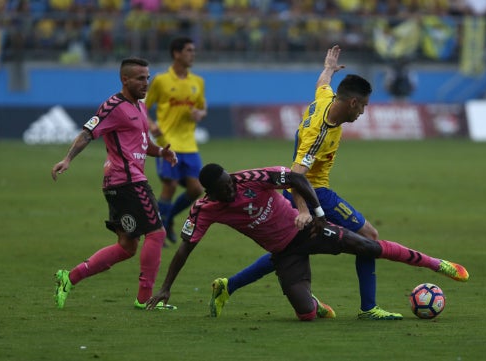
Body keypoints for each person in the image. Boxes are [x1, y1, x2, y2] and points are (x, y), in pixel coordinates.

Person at [210, 45, 403, 320]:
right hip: (314, 192)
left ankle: (229, 286)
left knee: (289, 249)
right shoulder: (319, 134)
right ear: (352, 103)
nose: (363, 113)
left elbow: (322, 84)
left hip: (305, 190)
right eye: (363, 106)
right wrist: (303, 210)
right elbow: (295, 176)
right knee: (369, 237)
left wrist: (328, 68)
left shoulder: (327, 99)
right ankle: (369, 308)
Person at [146, 163, 469, 321]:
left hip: (308, 232)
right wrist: (166, 286)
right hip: (284, 252)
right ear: (211, 193)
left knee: (368, 246)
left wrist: (315, 214)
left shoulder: (252, 179)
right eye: (225, 190)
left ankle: (437, 264)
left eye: (231, 183)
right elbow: (186, 247)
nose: (232, 190)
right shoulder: (204, 209)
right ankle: (312, 301)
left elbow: (298, 178)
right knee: (306, 316)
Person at [51, 57, 179, 310]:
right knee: (157, 233)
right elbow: (88, 132)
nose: (146, 83)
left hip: (120, 184)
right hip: (127, 181)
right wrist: (67, 159)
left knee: (127, 246)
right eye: (141, 78)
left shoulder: (140, 107)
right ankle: (145, 299)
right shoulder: (113, 105)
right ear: (125, 80)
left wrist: (161, 152)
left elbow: (142, 144)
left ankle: (70, 277)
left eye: (148, 77)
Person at [145, 36, 207, 245]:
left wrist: (199, 113)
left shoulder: (197, 82)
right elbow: (142, 107)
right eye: (189, 50)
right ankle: (158, 229)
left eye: (194, 50)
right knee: (169, 185)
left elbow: (202, 108)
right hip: (166, 141)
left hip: (189, 144)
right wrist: (150, 124)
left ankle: (168, 219)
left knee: (196, 189)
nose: (193, 54)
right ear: (176, 53)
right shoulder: (161, 81)